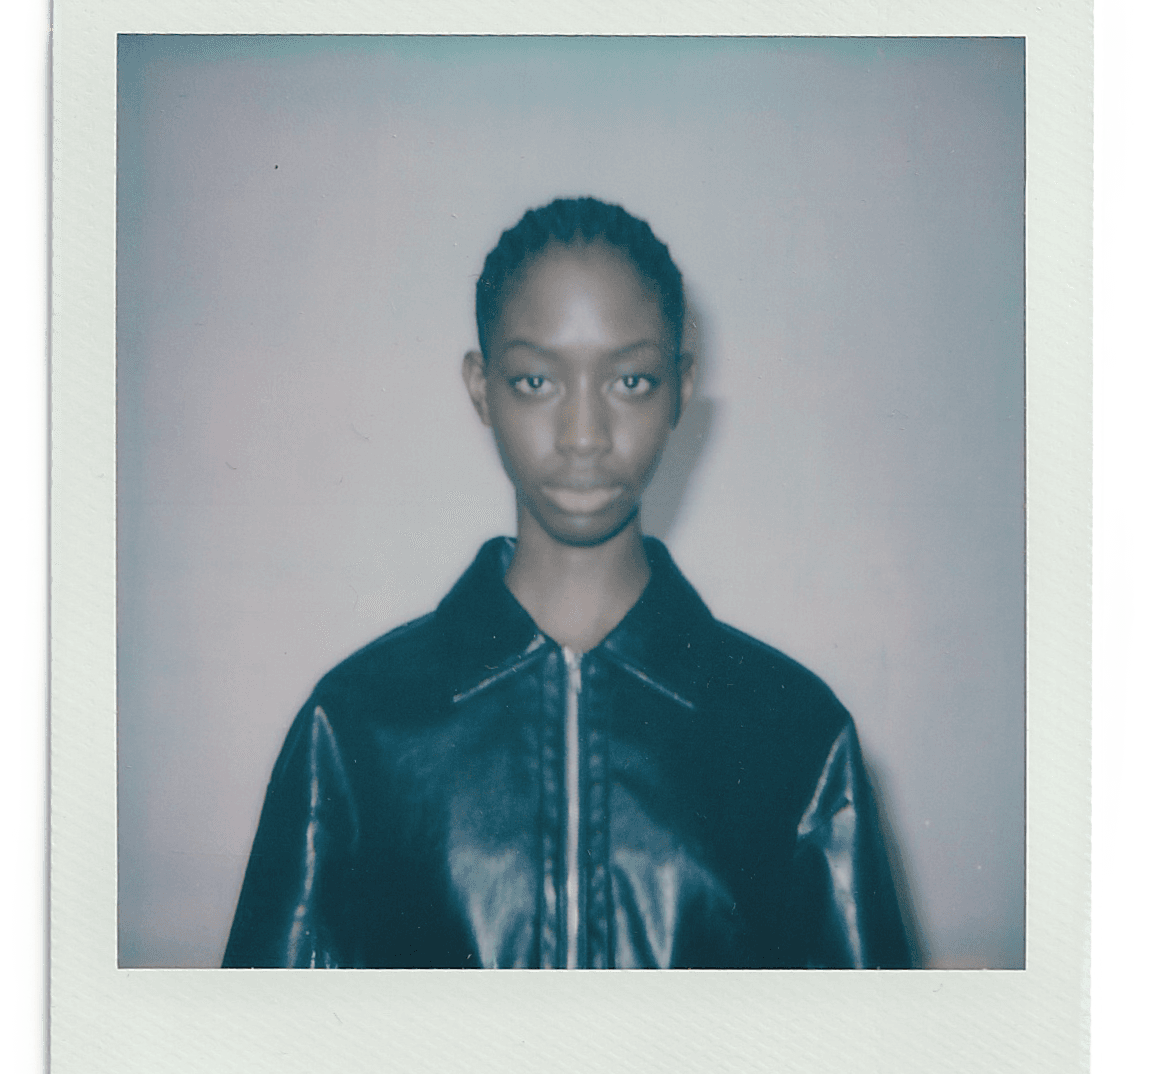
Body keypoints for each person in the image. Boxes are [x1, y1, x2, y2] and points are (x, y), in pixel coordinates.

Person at [223, 197, 912, 970]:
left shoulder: (792, 734)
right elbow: (264, 1069)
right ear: (480, 387)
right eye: (534, 382)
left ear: (682, 388)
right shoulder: (355, 729)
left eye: (632, 381)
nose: (584, 436)